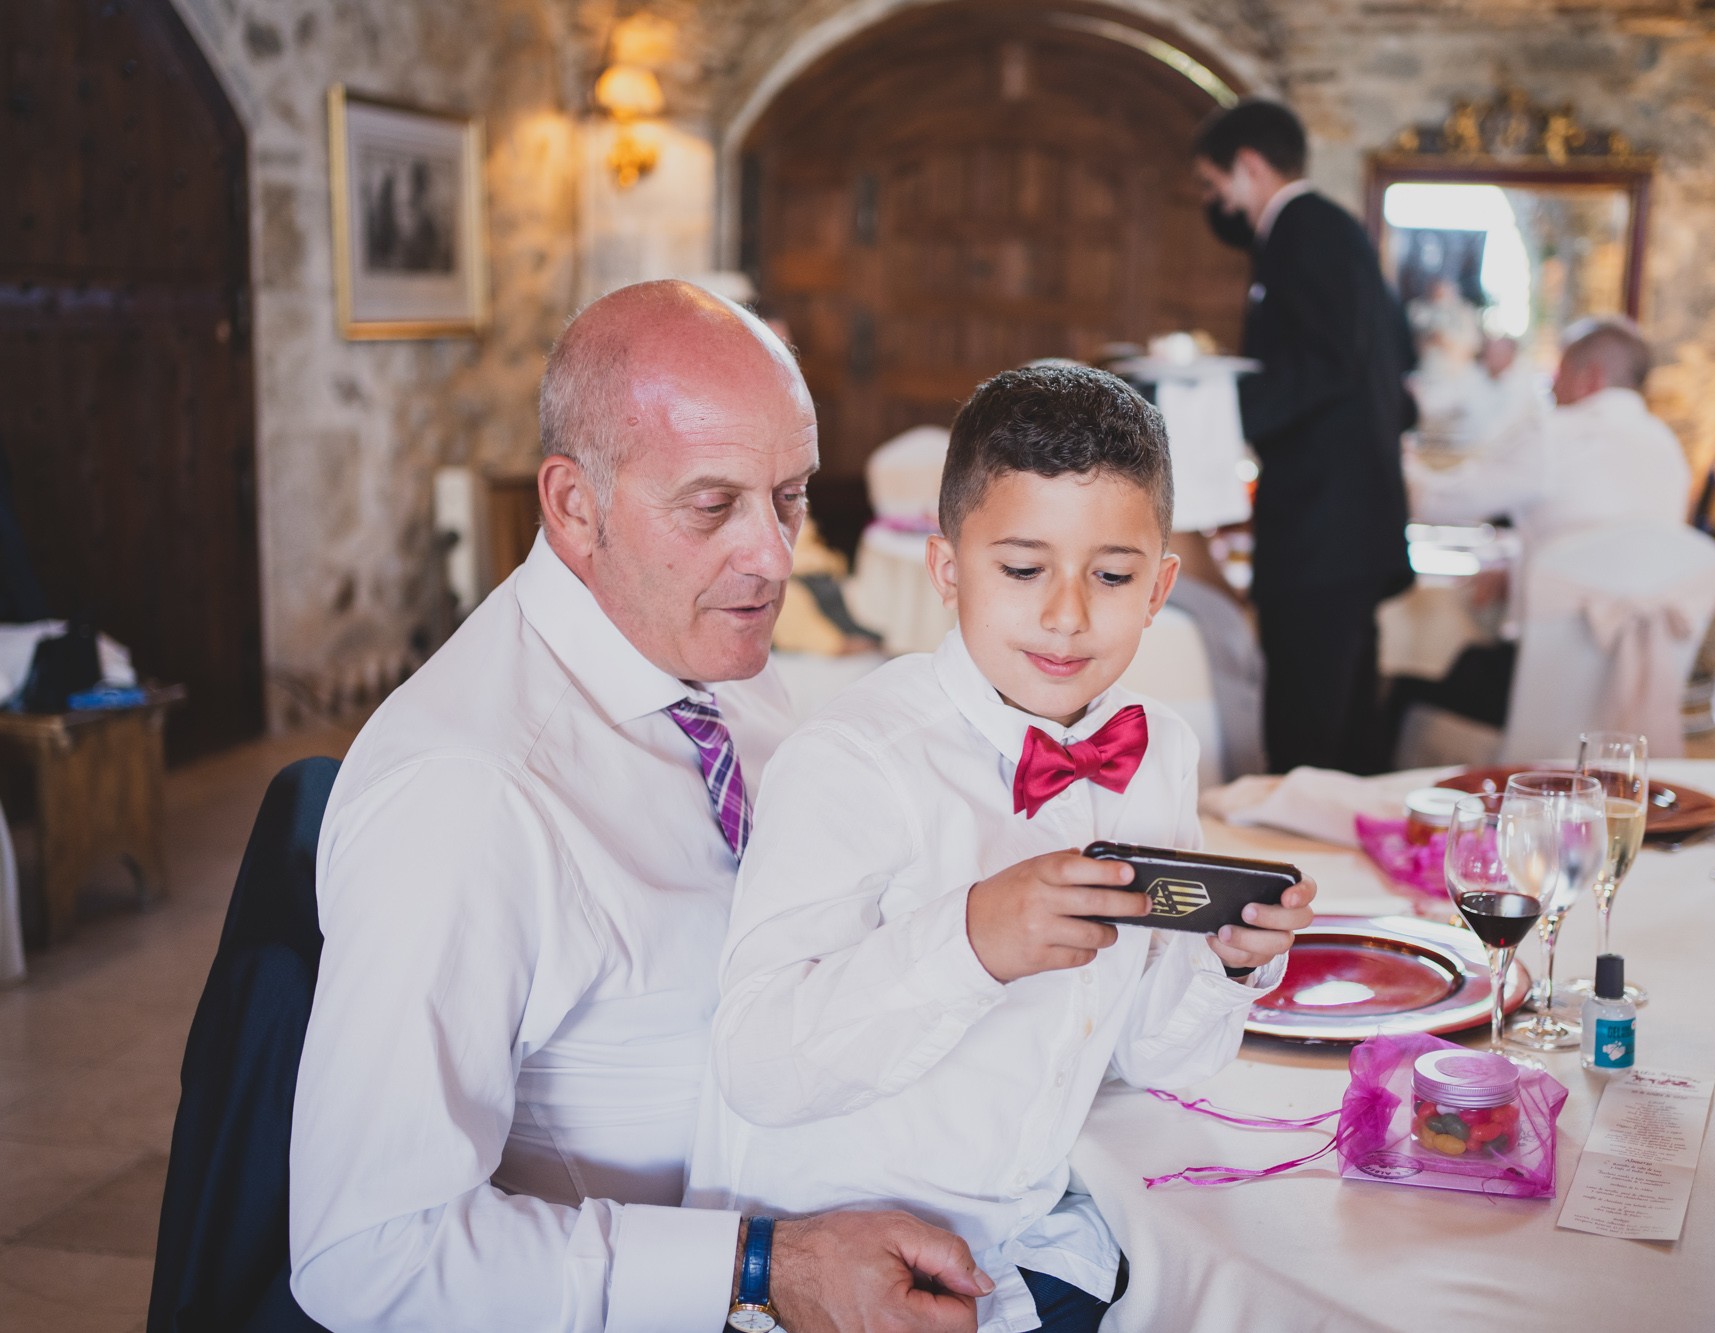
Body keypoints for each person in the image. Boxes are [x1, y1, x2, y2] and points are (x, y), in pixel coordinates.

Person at [289, 281, 991, 1333]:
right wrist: (767, 1266)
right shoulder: (469, 795)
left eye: (789, 495)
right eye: (712, 506)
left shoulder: (716, 659)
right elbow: (368, 1256)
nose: (774, 555)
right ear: (575, 505)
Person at [690, 366, 1316, 1333]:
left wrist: (1226, 964)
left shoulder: (1159, 754)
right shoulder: (857, 759)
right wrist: (972, 940)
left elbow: (1156, 1060)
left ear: (1161, 586)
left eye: (1112, 576)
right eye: (1023, 570)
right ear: (947, 570)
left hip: (1033, 1249)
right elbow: (758, 1066)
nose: (1067, 614)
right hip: (843, 1280)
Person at [1194, 98, 1418, 776]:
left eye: (1213, 184)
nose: (1213, 203)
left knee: (1306, 737)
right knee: (1342, 730)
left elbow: (1324, 364)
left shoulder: (1305, 231)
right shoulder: (1331, 231)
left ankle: (1307, 844)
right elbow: (1393, 354)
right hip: (1346, 520)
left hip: (1325, 524)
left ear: (1250, 165)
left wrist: (1209, 415)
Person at [1390, 315, 1695, 731]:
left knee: (1408, 677)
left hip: (1543, 684)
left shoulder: (1555, 435)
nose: (1552, 387)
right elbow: (1620, 547)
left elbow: (1434, 503)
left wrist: (1395, 453)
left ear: (1589, 377)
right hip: (1629, 685)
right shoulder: (1669, 449)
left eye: (1559, 374)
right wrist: (1519, 568)